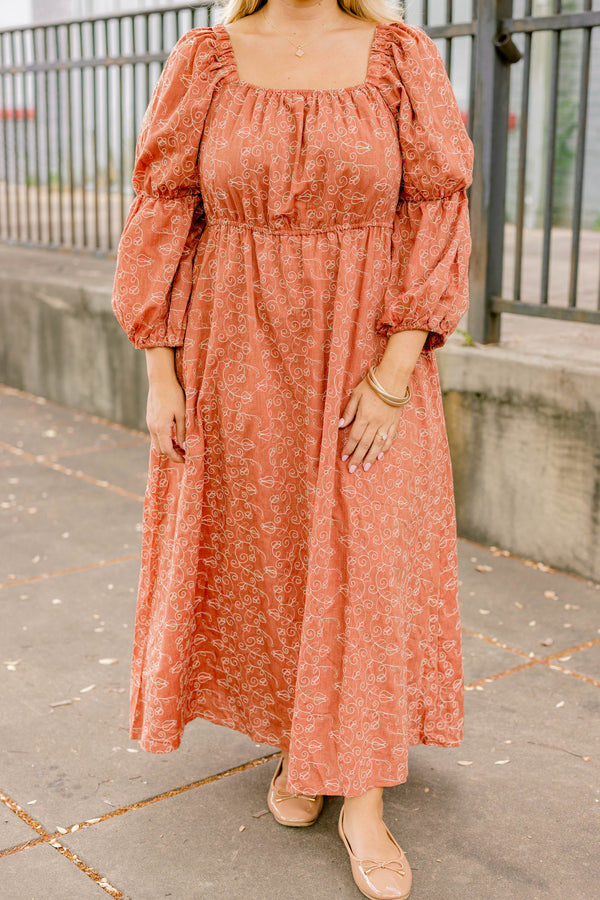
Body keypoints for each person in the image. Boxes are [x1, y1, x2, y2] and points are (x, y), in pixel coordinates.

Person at [112, 0, 473, 896]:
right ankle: (302, 745)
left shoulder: (398, 56)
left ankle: (363, 799)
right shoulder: (207, 59)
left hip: (364, 348)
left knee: (366, 558)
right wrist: (162, 372)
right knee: (273, 562)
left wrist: (393, 371)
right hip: (233, 346)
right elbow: (164, 211)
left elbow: (436, 211)